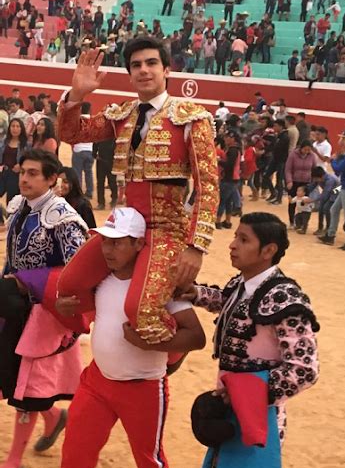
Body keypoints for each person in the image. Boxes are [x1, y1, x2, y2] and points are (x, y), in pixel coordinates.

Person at [29, 207, 206, 468]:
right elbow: (92, 315)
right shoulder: (101, 280)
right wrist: (70, 309)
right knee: (76, 455)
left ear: (140, 244)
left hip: (143, 387)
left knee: (148, 459)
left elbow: (196, 337)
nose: (108, 250)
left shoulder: (159, 287)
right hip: (97, 382)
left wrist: (152, 343)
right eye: (105, 241)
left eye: (118, 243)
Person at [56, 37, 218, 344]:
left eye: (151, 63)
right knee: (70, 284)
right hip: (124, 228)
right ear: (130, 74)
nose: (144, 70)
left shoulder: (191, 117)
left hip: (166, 229)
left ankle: (171, 354)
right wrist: (77, 93)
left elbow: (208, 184)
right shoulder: (123, 115)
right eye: (136, 65)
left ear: (167, 70)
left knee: (142, 312)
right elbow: (71, 133)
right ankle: (111, 320)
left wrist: (196, 247)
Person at [182, 212, 319, 468]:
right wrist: (193, 292)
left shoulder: (286, 299)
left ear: (268, 250)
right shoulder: (242, 284)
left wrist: (245, 395)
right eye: (235, 237)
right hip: (234, 412)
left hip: (260, 420)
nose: (232, 245)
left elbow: (304, 368)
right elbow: (224, 302)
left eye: (244, 240)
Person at [0, 149, 88, 468]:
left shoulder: (64, 219)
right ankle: (54, 418)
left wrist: (31, 284)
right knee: (14, 376)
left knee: (29, 388)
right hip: (15, 307)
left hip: (46, 313)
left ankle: (13, 462)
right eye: (23, 172)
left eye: (34, 173)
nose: (24, 179)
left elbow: (79, 273)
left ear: (53, 179)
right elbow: (13, 261)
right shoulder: (19, 206)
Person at [285, 141, 317, 228]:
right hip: (294, 181)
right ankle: (292, 222)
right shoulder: (293, 155)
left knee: (304, 203)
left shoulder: (312, 156)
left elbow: (314, 169)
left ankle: (302, 223)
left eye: (309, 150)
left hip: (306, 183)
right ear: (301, 148)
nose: (307, 151)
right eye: (305, 149)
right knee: (292, 202)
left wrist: (313, 182)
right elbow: (288, 169)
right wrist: (289, 181)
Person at [215, 129, 241, 230]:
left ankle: (217, 221)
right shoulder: (235, 149)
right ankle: (227, 221)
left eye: (227, 137)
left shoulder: (232, 150)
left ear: (232, 138)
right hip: (233, 178)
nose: (225, 139)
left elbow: (229, 165)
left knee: (222, 200)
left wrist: (219, 161)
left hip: (228, 178)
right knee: (228, 201)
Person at [0, 118, 29, 204]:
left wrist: (21, 165)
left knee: (11, 201)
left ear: (21, 128)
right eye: (13, 126)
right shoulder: (4, 141)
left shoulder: (25, 144)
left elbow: (30, 159)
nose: (15, 129)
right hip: (3, 172)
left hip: (15, 175)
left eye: (17, 126)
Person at [264, 119, 289, 205]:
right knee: (266, 176)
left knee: (279, 179)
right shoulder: (278, 135)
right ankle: (273, 193)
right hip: (275, 159)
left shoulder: (285, 137)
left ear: (281, 126)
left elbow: (278, 148)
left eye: (275, 126)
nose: (274, 128)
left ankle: (279, 199)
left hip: (281, 160)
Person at [309, 166, 339, 236]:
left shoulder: (330, 180)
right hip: (329, 192)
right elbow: (311, 186)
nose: (315, 180)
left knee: (326, 208)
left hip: (337, 191)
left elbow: (325, 194)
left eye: (316, 179)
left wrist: (312, 200)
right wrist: (304, 192)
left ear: (321, 176)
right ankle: (320, 228)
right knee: (320, 208)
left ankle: (328, 228)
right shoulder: (318, 178)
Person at [92, 137, 117, 210]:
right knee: (101, 182)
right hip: (102, 160)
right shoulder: (101, 134)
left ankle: (113, 199)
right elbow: (95, 143)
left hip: (110, 161)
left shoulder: (113, 134)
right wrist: (94, 154)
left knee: (111, 181)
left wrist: (94, 154)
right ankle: (101, 203)